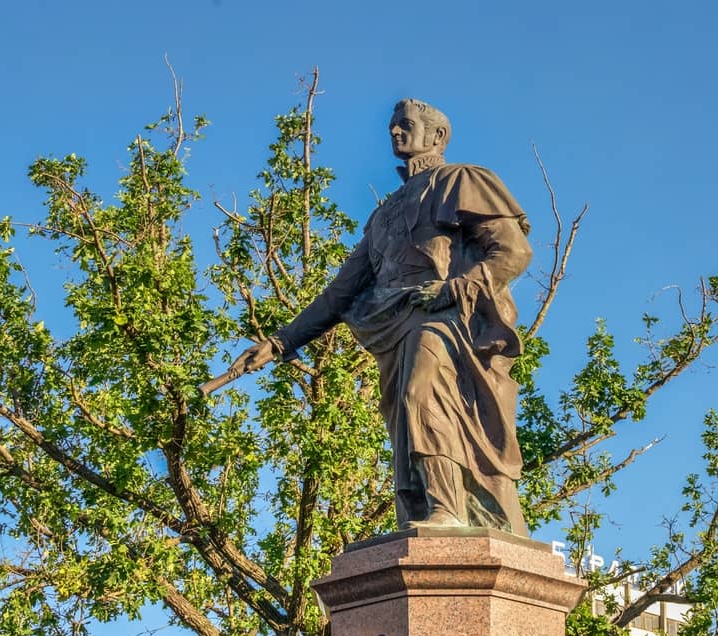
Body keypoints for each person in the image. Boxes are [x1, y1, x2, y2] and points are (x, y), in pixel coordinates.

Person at [216, 98, 533, 536]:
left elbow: (514, 251)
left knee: (421, 396)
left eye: (405, 125)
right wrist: (280, 342)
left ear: (438, 136)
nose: (395, 134)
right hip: (392, 324)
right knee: (404, 424)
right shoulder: (383, 215)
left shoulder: (462, 180)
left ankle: (448, 510)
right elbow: (340, 293)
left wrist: (455, 289)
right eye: (392, 127)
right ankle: (421, 515)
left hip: (445, 318)